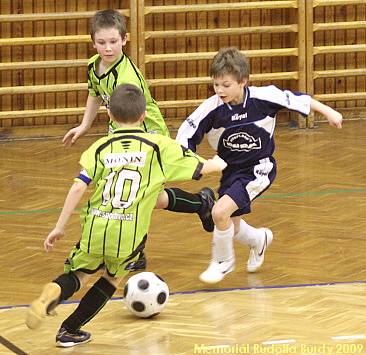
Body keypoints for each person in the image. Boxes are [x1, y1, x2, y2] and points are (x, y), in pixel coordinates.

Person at [25, 84, 227, 347]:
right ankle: (69, 329)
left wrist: (59, 227)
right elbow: (203, 168)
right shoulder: (158, 146)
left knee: (79, 275)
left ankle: (50, 296)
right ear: (144, 115)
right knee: (111, 278)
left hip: (95, 226)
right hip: (128, 232)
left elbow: (77, 187)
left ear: (109, 115)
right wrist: (222, 161)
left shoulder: (100, 148)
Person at [62, 9, 217, 271]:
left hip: (146, 134)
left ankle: (134, 252)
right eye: (102, 43)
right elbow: (95, 92)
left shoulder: (127, 77)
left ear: (124, 40)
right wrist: (85, 125)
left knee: (137, 195)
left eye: (113, 42)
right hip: (120, 131)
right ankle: (201, 203)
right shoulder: (94, 65)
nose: (108, 48)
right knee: (129, 194)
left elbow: (135, 115)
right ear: (93, 42)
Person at [176, 47, 343, 284]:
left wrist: (329, 112)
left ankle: (222, 262)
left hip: (258, 169)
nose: (219, 90)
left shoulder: (263, 98)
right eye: (216, 85)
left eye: (226, 85)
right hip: (231, 171)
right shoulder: (211, 108)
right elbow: (185, 135)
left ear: (243, 81)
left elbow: (298, 99)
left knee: (219, 212)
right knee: (229, 225)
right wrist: (189, 163)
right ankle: (258, 240)